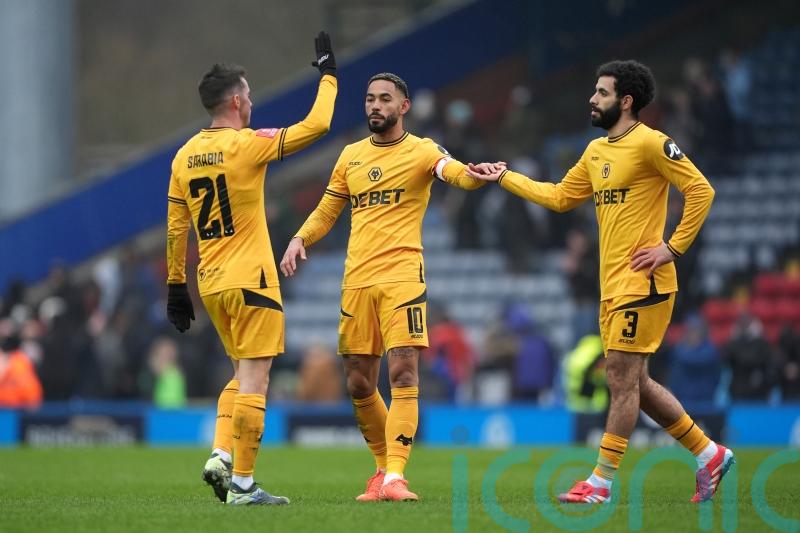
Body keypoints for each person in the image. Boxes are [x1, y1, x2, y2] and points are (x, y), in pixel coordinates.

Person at [467, 60, 733, 504]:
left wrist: (672, 247)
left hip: (645, 283)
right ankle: (709, 453)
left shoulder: (652, 143)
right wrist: (505, 177)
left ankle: (600, 482)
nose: (592, 99)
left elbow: (701, 190)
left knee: (621, 379)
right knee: (636, 383)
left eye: (602, 92)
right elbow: (558, 197)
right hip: (612, 286)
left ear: (625, 101)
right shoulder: (595, 152)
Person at [280, 72, 498, 502]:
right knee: (360, 383)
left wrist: (476, 176)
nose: (375, 106)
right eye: (369, 99)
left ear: (404, 107)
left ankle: (396, 475)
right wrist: (300, 238)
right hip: (356, 280)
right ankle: (383, 472)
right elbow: (327, 211)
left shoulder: (421, 150)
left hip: (402, 276)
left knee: (402, 372)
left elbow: (453, 172)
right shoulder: (350, 157)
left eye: (384, 99)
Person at [165, 31, 337, 506]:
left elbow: (177, 226)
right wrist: (328, 75)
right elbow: (316, 126)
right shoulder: (247, 144)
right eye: (251, 95)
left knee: (241, 375)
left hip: (212, 285)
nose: (254, 102)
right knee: (256, 378)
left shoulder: (184, 156)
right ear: (238, 100)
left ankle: (220, 455)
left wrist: (176, 286)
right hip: (253, 280)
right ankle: (242, 484)